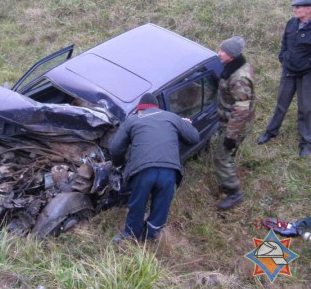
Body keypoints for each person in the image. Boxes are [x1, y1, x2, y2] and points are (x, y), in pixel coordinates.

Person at [109, 93, 200, 242]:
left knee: (137, 204)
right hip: (169, 171)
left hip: (143, 171)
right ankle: (151, 236)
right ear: (157, 107)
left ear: (140, 109)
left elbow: (115, 148)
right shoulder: (172, 117)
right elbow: (194, 138)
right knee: (161, 207)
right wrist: (185, 125)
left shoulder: (132, 120)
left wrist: (118, 163)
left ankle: (130, 236)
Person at [257, 0, 311, 158]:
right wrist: (283, 57)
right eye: (294, 7)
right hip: (288, 71)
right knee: (281, 103)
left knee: (306, 108)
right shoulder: (291, 23)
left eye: (298, 7)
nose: (294, 10)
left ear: (309, 9)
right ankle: (271, 132)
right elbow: (284, 43)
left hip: (307, 73)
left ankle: (306, 142)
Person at [214, 36, 255, 210]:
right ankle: (227, 179)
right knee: (228, 155)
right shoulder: (235, 67)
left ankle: (234, 192)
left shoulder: (239, 78)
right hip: (233, 121)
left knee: (221, 158)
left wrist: (231, 135)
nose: (219, 53)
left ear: (231, 55)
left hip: (235, 125)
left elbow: (241, 109)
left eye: (222, 51)